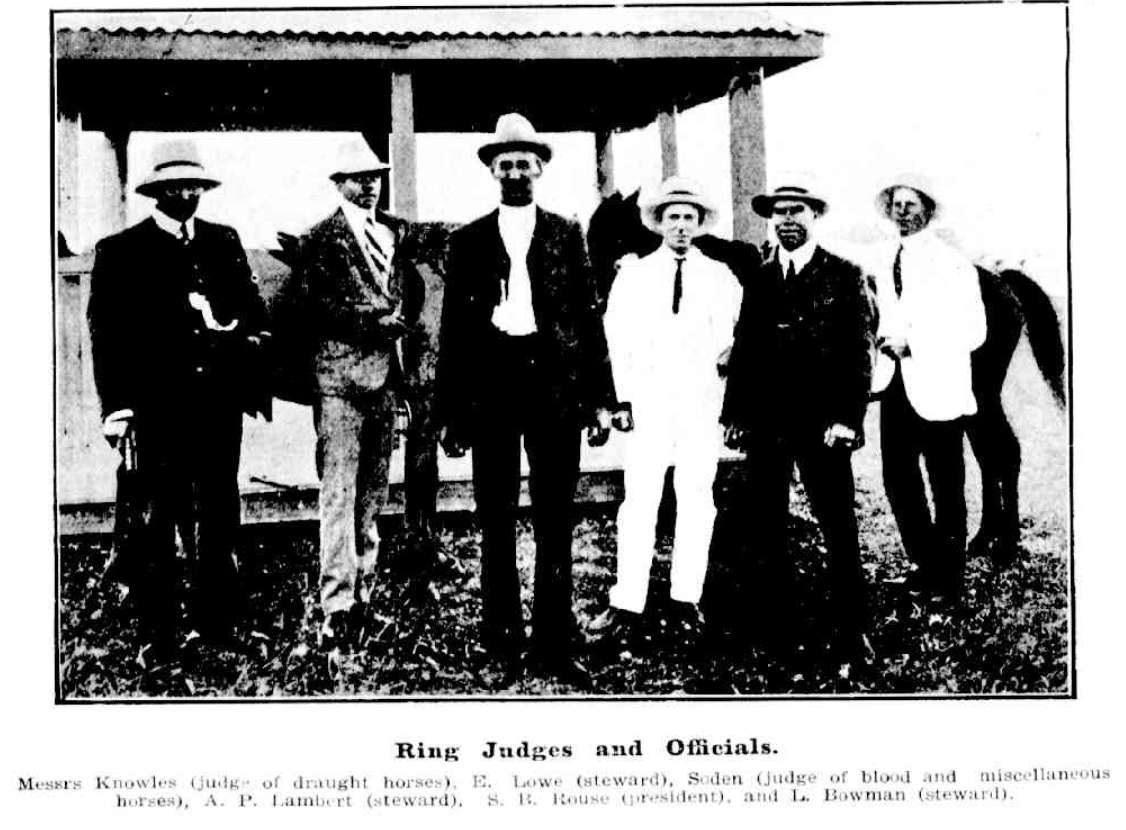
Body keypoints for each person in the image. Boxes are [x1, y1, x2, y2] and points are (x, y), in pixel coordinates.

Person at [436, 113, 617, 687]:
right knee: (495, 517)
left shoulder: (567, 233)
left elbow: (589, 320)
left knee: (555, 518)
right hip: (492, 384)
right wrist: (452, 413)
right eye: (505, 163)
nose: (516, 172)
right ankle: (499, 642)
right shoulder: (467, 240)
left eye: (525, 163)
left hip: (554, 385)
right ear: (492, 170)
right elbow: (454, 331)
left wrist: (599, 400)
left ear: (540, 168)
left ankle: (553, 645)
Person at [87, 139, 270, 665]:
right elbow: (108, 338)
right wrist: (116, 408)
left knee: (217, 514)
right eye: (175, 186)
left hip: (216, 408)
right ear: (157, 190)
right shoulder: (121, 251)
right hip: (156, 411)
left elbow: (253, 316)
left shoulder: (222, 241)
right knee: (156, 523)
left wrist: (239, 343)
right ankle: (158, 638)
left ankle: (217, 625)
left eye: (194, 185)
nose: (186, 194)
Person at [720, 184, 874, 671]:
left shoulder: (844, 274)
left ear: (815, 216)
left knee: (837, 525)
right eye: (778, 213)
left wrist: (848, 419)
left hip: (823, 425)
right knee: (766, 525)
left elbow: (859, 354)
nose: (787, 220)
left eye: (796, 211)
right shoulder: (761, 278)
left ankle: (853, 630)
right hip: (768, 423)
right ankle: (779, 627)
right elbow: (744, 348)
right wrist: (735, 416)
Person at [592, 177, 742, 647]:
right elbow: (616, 341)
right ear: (658, 223)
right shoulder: (634, 276)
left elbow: (735, 338)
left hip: (700, 402)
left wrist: (728, 358)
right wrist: (622, 402)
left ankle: (685, 599)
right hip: (649, 403)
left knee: (696, 497)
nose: (681, 226)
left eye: (689, 217)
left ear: (699, 224)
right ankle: (627, 602)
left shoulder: (719, 277)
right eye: (673, 217)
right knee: (639, 499)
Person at [295, 139, 423, 654]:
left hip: (386, 381)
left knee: (373, 492)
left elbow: (408, 293)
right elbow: (316, 307)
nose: (369, 184)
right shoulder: (319, 239)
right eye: (357, 177)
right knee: (339, 493)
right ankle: (337, 606)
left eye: (374, 175)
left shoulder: (394, 232)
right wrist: (375, 322)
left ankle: (363, 591)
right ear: (337, 183)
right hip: (341, 382)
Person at [871, 175, 986, 605]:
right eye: (896, 204)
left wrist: (914, 344)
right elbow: (890, 316)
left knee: (945, 483)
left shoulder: (954, 264)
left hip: (939, 387)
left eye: (910, 204)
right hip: (896, 384)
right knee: (898, 480)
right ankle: (925, 563)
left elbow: (974, 330)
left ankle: (950, 579)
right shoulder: (886, 259)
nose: (902, 211)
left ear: (927, 210)